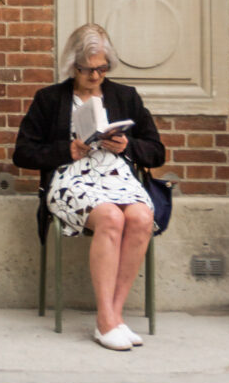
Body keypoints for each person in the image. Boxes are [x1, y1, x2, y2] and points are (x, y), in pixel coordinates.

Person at [12, 23, 165, 350]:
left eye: (101, 68)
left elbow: (157, 150)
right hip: (70, 179)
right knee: (110, 218)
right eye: (86, 70)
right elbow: (22, 153)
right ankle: (105, 321)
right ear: (72, 66)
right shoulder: (49, 99)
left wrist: (127, 147)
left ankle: (115, 314)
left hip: (117, 176)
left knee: (139, 218)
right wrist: (64, 150)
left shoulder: (125, 96)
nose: (95, 76)